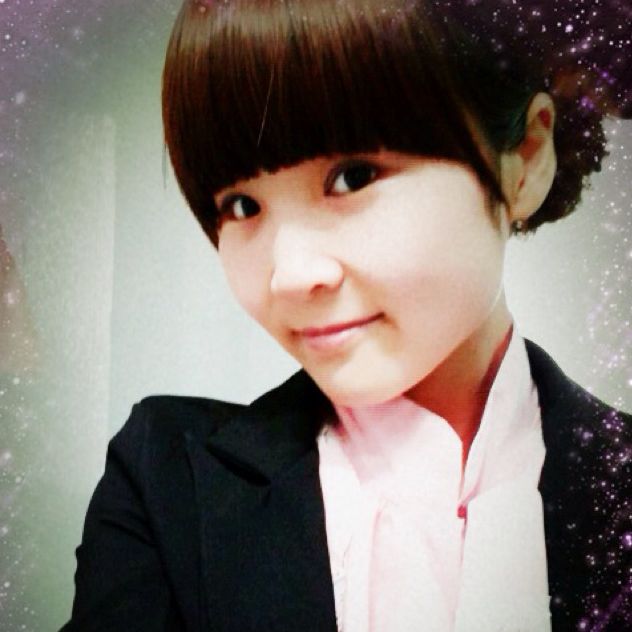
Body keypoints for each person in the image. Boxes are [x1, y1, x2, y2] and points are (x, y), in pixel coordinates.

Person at [61, 1, 631, 630]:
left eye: (353, 177)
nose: (289, 276)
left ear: (525, 156)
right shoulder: (167, 482)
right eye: (242, 206)